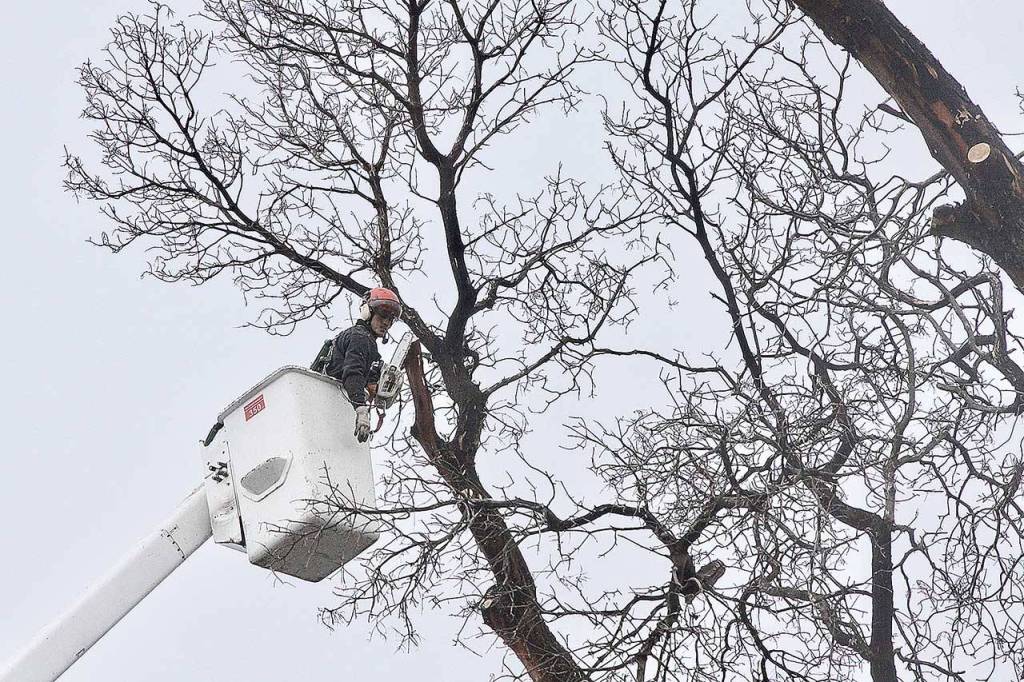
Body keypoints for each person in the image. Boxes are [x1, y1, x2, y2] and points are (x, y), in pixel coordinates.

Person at [324, 287, 402, 442]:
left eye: (391, 319)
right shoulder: (360, 337)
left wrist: (376, 385)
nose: (386, 323)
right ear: (367, 311)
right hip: (331, 399)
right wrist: (361, 410)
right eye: (383, 315)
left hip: (334, 410)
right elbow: (353, 373)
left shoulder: (368, 344)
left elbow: (367, 376)